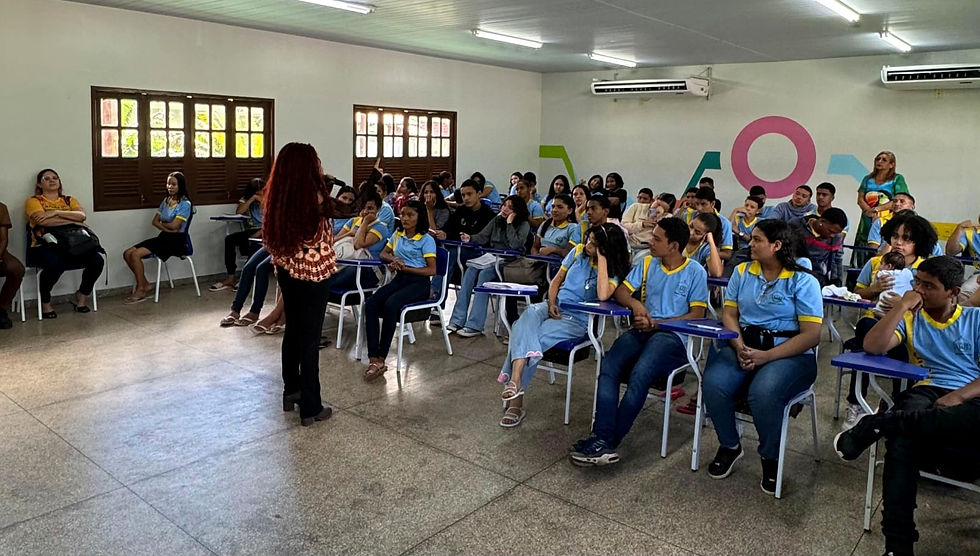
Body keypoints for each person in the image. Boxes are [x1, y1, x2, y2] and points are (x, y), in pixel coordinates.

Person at [834, 256, 980, 556]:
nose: (920, 290)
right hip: (927, 389)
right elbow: (873, 346)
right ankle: (897, 544)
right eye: (917, 283)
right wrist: (901, 307)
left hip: (971, 396)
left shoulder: (974, 319)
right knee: (903, 442)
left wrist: (959, 396)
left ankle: (878, 424)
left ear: (952, 292)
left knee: (908, 425)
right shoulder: (912, 319)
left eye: (929, 286)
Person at [569, 218, 709, 465]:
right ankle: (602, 437)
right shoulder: (647, 262)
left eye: (656, 239)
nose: (650, 242)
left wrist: (657, 323)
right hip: (643, 330)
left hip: (673, 337)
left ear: (674, 245)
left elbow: (697, 314)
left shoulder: (695, 271)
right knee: (610, 364)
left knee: (640, 373)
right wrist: (636, 305)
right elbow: (622, 291)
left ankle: (608, 440)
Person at [701, 219, 823, 495]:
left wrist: (767, 356)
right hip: (744, 345)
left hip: (789, 352)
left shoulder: (803, 281)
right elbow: (729, 314)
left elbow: (811, 335)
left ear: (776, 246)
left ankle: (770, 457)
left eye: (757, 240)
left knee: (763, 393)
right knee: (714, 383)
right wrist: (739, 346)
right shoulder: (743, 272)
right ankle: (730, 445)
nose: (750, 244)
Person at [497, 223, 631, 427]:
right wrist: (551, 303)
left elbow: (603, 294)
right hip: (554, 305)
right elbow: (557, 280)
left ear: (606, 248)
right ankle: (515, 379)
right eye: (588, 239)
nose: (587, 245)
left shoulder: (614, 269)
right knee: (527, 317)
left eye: (594, 244)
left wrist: (602, 258)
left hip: (577, 320)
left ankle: (515, 400)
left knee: (532, 338)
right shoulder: (577, 252)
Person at [841, 213, 939, 429]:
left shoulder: (927, 270)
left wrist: (903, 305)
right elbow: (858, 292)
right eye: (895, 236)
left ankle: (896, 401)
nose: (898, 242)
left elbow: (934, 306)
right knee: (866, 336)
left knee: (894, 348)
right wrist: (875, 289)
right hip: (874, 322)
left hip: (909, 328)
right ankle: (857, 403)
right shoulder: (876, 262)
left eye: (907, 239)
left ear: (919, 243)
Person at [264, 142, 337, 427]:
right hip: (314, 272)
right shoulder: (316, 197)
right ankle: (311, 406)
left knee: (293, 330)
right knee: (310, 337)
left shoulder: (280, 196)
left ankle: (291, 391)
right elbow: (348, 208)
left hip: (286, 268)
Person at [362, 200, 437, 382]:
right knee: (371, 303)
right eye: (402, 214)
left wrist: (405, 267)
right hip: (400, 279)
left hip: (419, 283)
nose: (404, 218)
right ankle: (373, 357)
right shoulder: (398, 233)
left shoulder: (426, 239)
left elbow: (431, 270)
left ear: (419, 217)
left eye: (410, 215)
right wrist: (393, 260)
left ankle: (381, 357)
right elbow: (383, 254)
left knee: (391, 305)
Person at [26, 169, 104, 318]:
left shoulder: (69, 200)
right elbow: (42, 221)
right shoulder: (34, 201)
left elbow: (81, 216)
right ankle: (46, 303)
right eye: (46, 178)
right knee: (56, 263)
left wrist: (56, 213)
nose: (52, 180)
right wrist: (72, 219)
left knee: (97, 260)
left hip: (72, 246)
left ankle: (82, 296)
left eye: (55, 177)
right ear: (39, 183)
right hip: (43, 246)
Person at [448, 195, 530, 337]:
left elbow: (515, 245)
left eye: (510, 207)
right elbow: (482, 236)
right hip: (490, 258)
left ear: (517, 211)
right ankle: (457, 320)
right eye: (504, 205)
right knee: (471, 269)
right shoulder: (497, 220)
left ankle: (475, 325)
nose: (505, 209)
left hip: (508, 262)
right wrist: (470, 238)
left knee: (484, 275)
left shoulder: (523, 225)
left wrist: (510, 224)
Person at [122, 172, 193, 304]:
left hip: (176, 241)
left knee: (136, 255)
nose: (170, 187)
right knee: (127, 253)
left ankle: (141, 288)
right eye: (168, 184)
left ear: (180, 186)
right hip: (164, 237)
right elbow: (155, 222)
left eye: (173, 184)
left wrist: (165, 225)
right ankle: (145, 283)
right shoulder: (166, 201)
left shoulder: (185, 204)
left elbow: (175, 226)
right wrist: (167, 228)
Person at [432, 179, 495, 317]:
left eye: (469, 194)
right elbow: (450, 230)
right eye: (463, 195)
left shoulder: (488, 215)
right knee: (446, 253)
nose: (465, 198)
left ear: (479, 194)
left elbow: (484, 239)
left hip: (479, 254)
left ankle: (434, 296)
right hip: (459, 251)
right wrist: (445, 233)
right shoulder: (460, 211)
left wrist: (459, 237)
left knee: (450, 255)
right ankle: (436, 303)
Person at [855, 151, 910, 268]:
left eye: (884, 160)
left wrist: (877, 210)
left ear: (892, 164)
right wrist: (868, 211)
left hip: (886, 217)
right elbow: (860, 198)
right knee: (863, 245)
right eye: (878, 159)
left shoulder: (897, 179)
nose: (879, 162)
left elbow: (899, 199)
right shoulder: (867, 178)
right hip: (867, 217)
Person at [209, 178, 265, 292]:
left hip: (264, 231)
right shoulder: (246, 199)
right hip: (250, 231)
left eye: (262, 191)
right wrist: (252, 199)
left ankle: (245, 279)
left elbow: (274, 222)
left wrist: (258, 233)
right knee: (229, 239)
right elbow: (239, 212)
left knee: (254, 245)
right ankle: (231, 278)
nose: (260, 193)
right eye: (257, 192)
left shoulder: (271, 199)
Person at [789, 207, 848, 287]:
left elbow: (836, 260)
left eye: (836, 233)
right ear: (822, 222)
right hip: (792, 272)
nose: (832, 236)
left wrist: (837, 284)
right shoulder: (796, 226)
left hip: (818, 277)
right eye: (831, 231)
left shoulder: (836, 237)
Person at [0, 201, 25, 329]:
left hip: (0, 251)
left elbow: (3, 239)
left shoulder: (1, 207)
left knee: (16, 269)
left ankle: (1, 307)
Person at [693, 188, 734, 260]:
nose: (699, 208)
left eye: (703, 204)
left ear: (712, 204)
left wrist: (705, 253)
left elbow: (727, 254)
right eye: (697, 204)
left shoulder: (724, 223)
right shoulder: (690, 216)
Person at [871, 251, 914, 319]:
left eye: (881, 263)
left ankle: (880, 312)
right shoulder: (907, 272)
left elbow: (877, 276)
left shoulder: (884, 273)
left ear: (889, 266)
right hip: (902, 303)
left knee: (882, 302)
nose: (880, 266)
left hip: (887, 302)